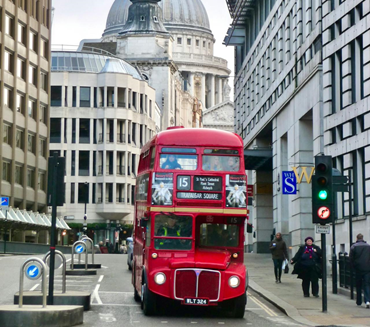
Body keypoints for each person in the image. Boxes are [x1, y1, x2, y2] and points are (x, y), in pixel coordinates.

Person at [350, 233, 370, 308]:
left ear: (357, 238)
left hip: (358, 268)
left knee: (358, 285)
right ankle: (367, 300)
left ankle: (358, 301)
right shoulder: (368, 246)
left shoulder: (354, 246)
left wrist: (352, 267)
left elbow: (351, 258)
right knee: (367, 284)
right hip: (367, 268)